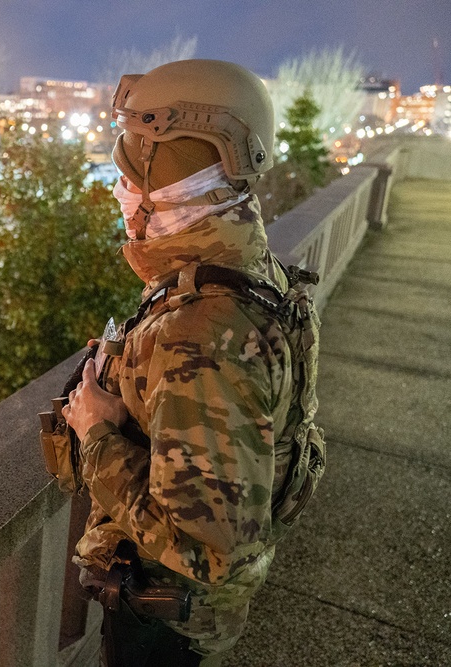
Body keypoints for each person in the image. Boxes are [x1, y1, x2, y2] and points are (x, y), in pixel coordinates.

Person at [61, 60, 325, 666]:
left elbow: (207, 551)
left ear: (170, 172)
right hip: (184, 612)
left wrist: (96, 433)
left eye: (131, 166)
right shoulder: (251, 275)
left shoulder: (200, 336)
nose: (121, 185)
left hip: (164, 621)